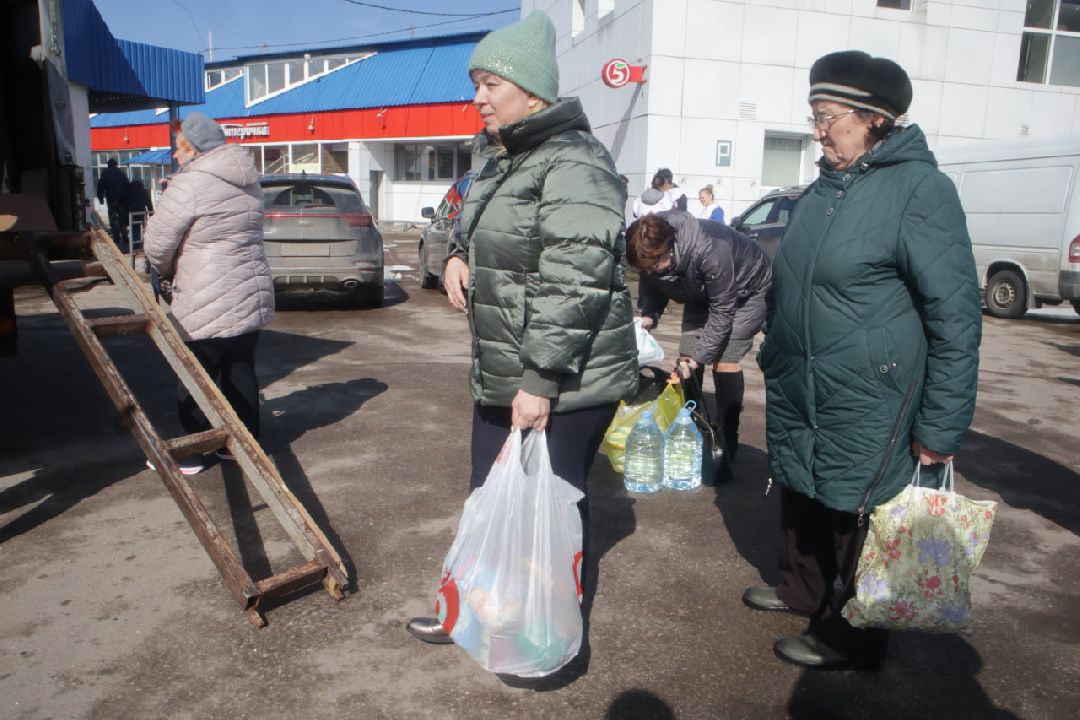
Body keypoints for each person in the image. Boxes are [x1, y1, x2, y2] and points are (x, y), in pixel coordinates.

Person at [405, 10, 638, 649]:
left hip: (565, 378)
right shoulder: (502, 156)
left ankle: (542, 630)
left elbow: (576, 278)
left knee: (550, 508)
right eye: (476, 85)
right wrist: (458, 253)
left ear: (532, 91)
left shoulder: (575, 162)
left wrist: (540, 379)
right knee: (490, 494)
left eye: (492, 85)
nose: (478, 98)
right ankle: (473, 612)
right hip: (505, 366)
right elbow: (476, 220)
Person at [744, 50, 982, 671]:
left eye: (828, 117)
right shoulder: (821, 189)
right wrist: (774, 345)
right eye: (814, 116)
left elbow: (955, 315)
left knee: (855, 502)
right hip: (801, 376)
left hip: (872, 389)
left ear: (875, 118)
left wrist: (941, 425)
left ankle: (852, 635)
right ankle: (802, 590)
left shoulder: (921, 190)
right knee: (803, 485)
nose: (818, 131)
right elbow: (791, 282)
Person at [143, 112, 276, 474]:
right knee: (239, 369)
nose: (175, 155)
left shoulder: (191, 183)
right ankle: (243, 447)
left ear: (196, 149)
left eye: (179, 148)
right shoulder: (248, 180)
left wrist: (163, 270)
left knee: (195, 375)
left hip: (205, 292)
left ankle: (190, 452)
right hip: (248, 290)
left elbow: (157, 244)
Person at [626, 210, 772, 481]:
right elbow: (652, 283)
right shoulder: (650, 252)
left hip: (746, 291)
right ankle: (695, 430)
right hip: (700, 291)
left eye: (655, 264)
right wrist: (649, 316)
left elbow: (723, 310)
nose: (651, 270)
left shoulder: (708, 248)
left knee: (724, 357)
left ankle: (727, 439)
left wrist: (699, 358)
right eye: (644, 267)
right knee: (685, 359)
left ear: (669, 247)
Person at [96, 158, 130, 247]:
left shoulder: (105, 173)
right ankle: (125, 236)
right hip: (122, 201)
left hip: (111, 201)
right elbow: (127, 186)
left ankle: (116, 238)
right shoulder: (121, 173)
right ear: (116, 164)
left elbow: (100, 186)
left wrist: (100, 198)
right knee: (122, 219)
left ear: (108, 165)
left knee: (113, 220)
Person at [122, 177, 153, 250]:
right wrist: (151, 213)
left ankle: (135, 246)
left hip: (131, 213)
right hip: (141, 213)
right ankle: (139, 245)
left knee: (134, 229)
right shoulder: (144, 192)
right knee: (140, 229)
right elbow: (149, 203)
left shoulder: (128, 191)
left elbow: (124, 203)